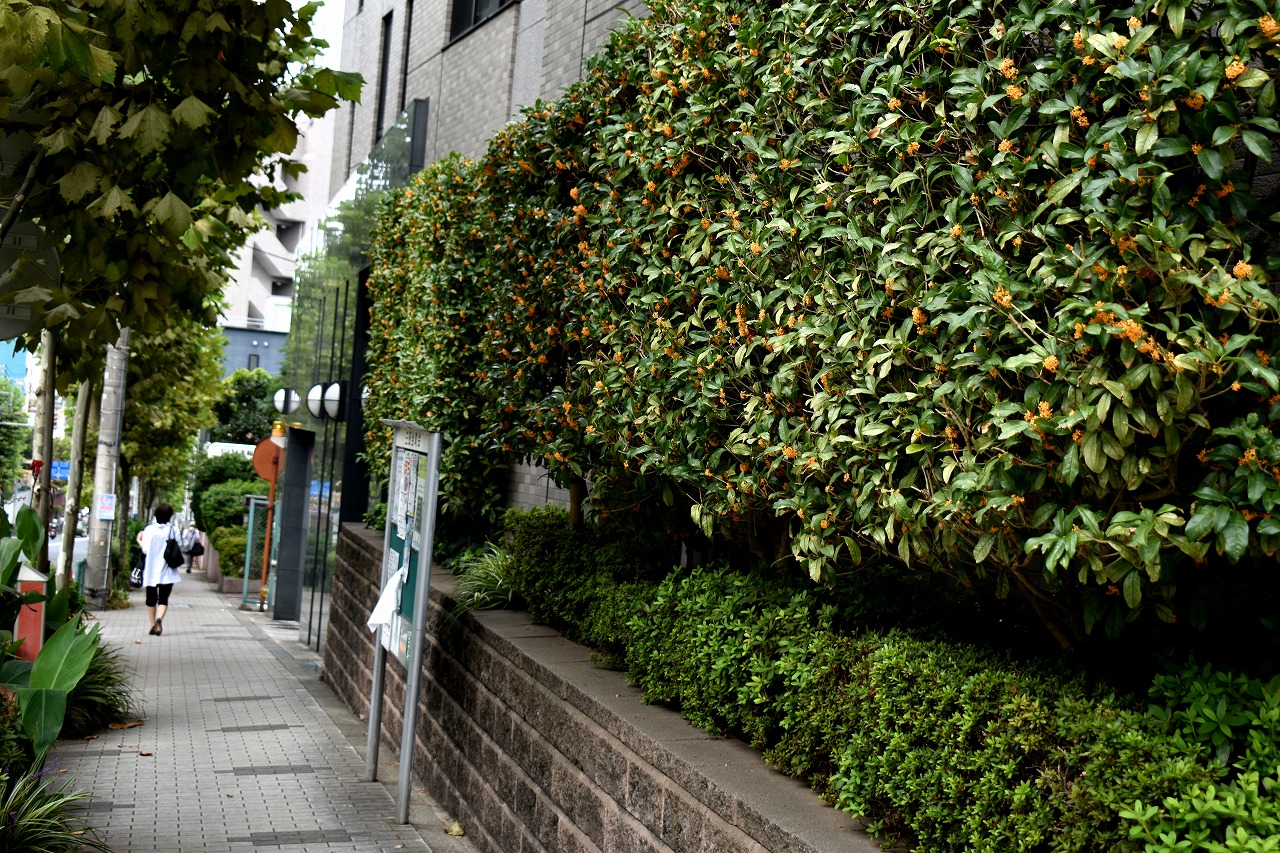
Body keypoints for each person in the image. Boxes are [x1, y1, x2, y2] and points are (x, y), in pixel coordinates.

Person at [137, 503, 183, 636]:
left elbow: (145, 549)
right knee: (163, 598)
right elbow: (179, 547)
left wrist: (139, 540)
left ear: (156, 515)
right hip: (168, 571)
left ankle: (152, 625)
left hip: (151, 571)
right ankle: (159, 620)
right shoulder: (173, 530)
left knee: (150, 599)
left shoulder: (149, 530)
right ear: (170, 516)